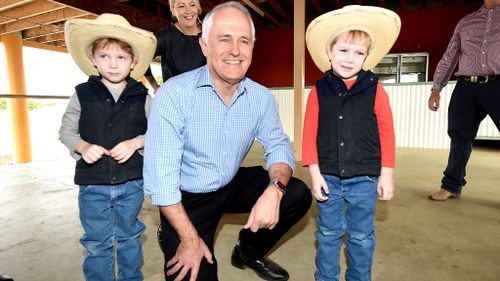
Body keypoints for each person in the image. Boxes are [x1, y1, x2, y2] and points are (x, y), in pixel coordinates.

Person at [143, 2, 312, 281]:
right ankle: (171, 230)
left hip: (230, 182)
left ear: (252, 47)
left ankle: (248, 250)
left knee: (296, 193)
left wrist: (275, 189)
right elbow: (161, 180)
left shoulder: (260, 98)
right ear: (205, 46)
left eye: (244, 41)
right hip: (187, 197)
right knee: (193, 271)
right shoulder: (174, 95)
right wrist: (188, 238)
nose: (235, 50)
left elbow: (279, 146)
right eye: (224, 39)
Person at [303, 5, 400, 281]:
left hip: (365, 179)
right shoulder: (318, 91)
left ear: (367, 57)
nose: (350, 59)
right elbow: (309, 134)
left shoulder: (376, 89)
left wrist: (387, 174)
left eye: (359, 53)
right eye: (344, 50)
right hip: (329, 179)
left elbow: (387, 132)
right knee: (328, 233)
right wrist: (315, 174)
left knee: (361, 236)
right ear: (329, 52)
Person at [59, 13, 156, 281]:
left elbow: (158, 134)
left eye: (121, 58)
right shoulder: (81, 94)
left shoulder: (142, 96)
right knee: (96, 243)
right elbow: (66, 131)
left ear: (133, 61)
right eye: (105, 56)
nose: (113, 64)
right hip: (93, 184)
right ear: (93, 57)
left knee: (129, 237)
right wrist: (82, 146)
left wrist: (136, 142)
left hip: (131, 183)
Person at [427, 0, 500, 201]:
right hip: (466, 87)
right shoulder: (466, 22)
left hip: (497, 85)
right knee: (459, 136)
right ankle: (451, 185)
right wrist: (436, 88)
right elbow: (450, 56)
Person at [144, 0, 206, 91]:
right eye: (181, 6)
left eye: (192, 5)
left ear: (197, 8)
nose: (188, 11)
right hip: (176, 100)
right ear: (173, 10)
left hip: (206, 99)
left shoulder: (209, 34)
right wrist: (155, 86)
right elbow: (142, 58)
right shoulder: (164, 37)